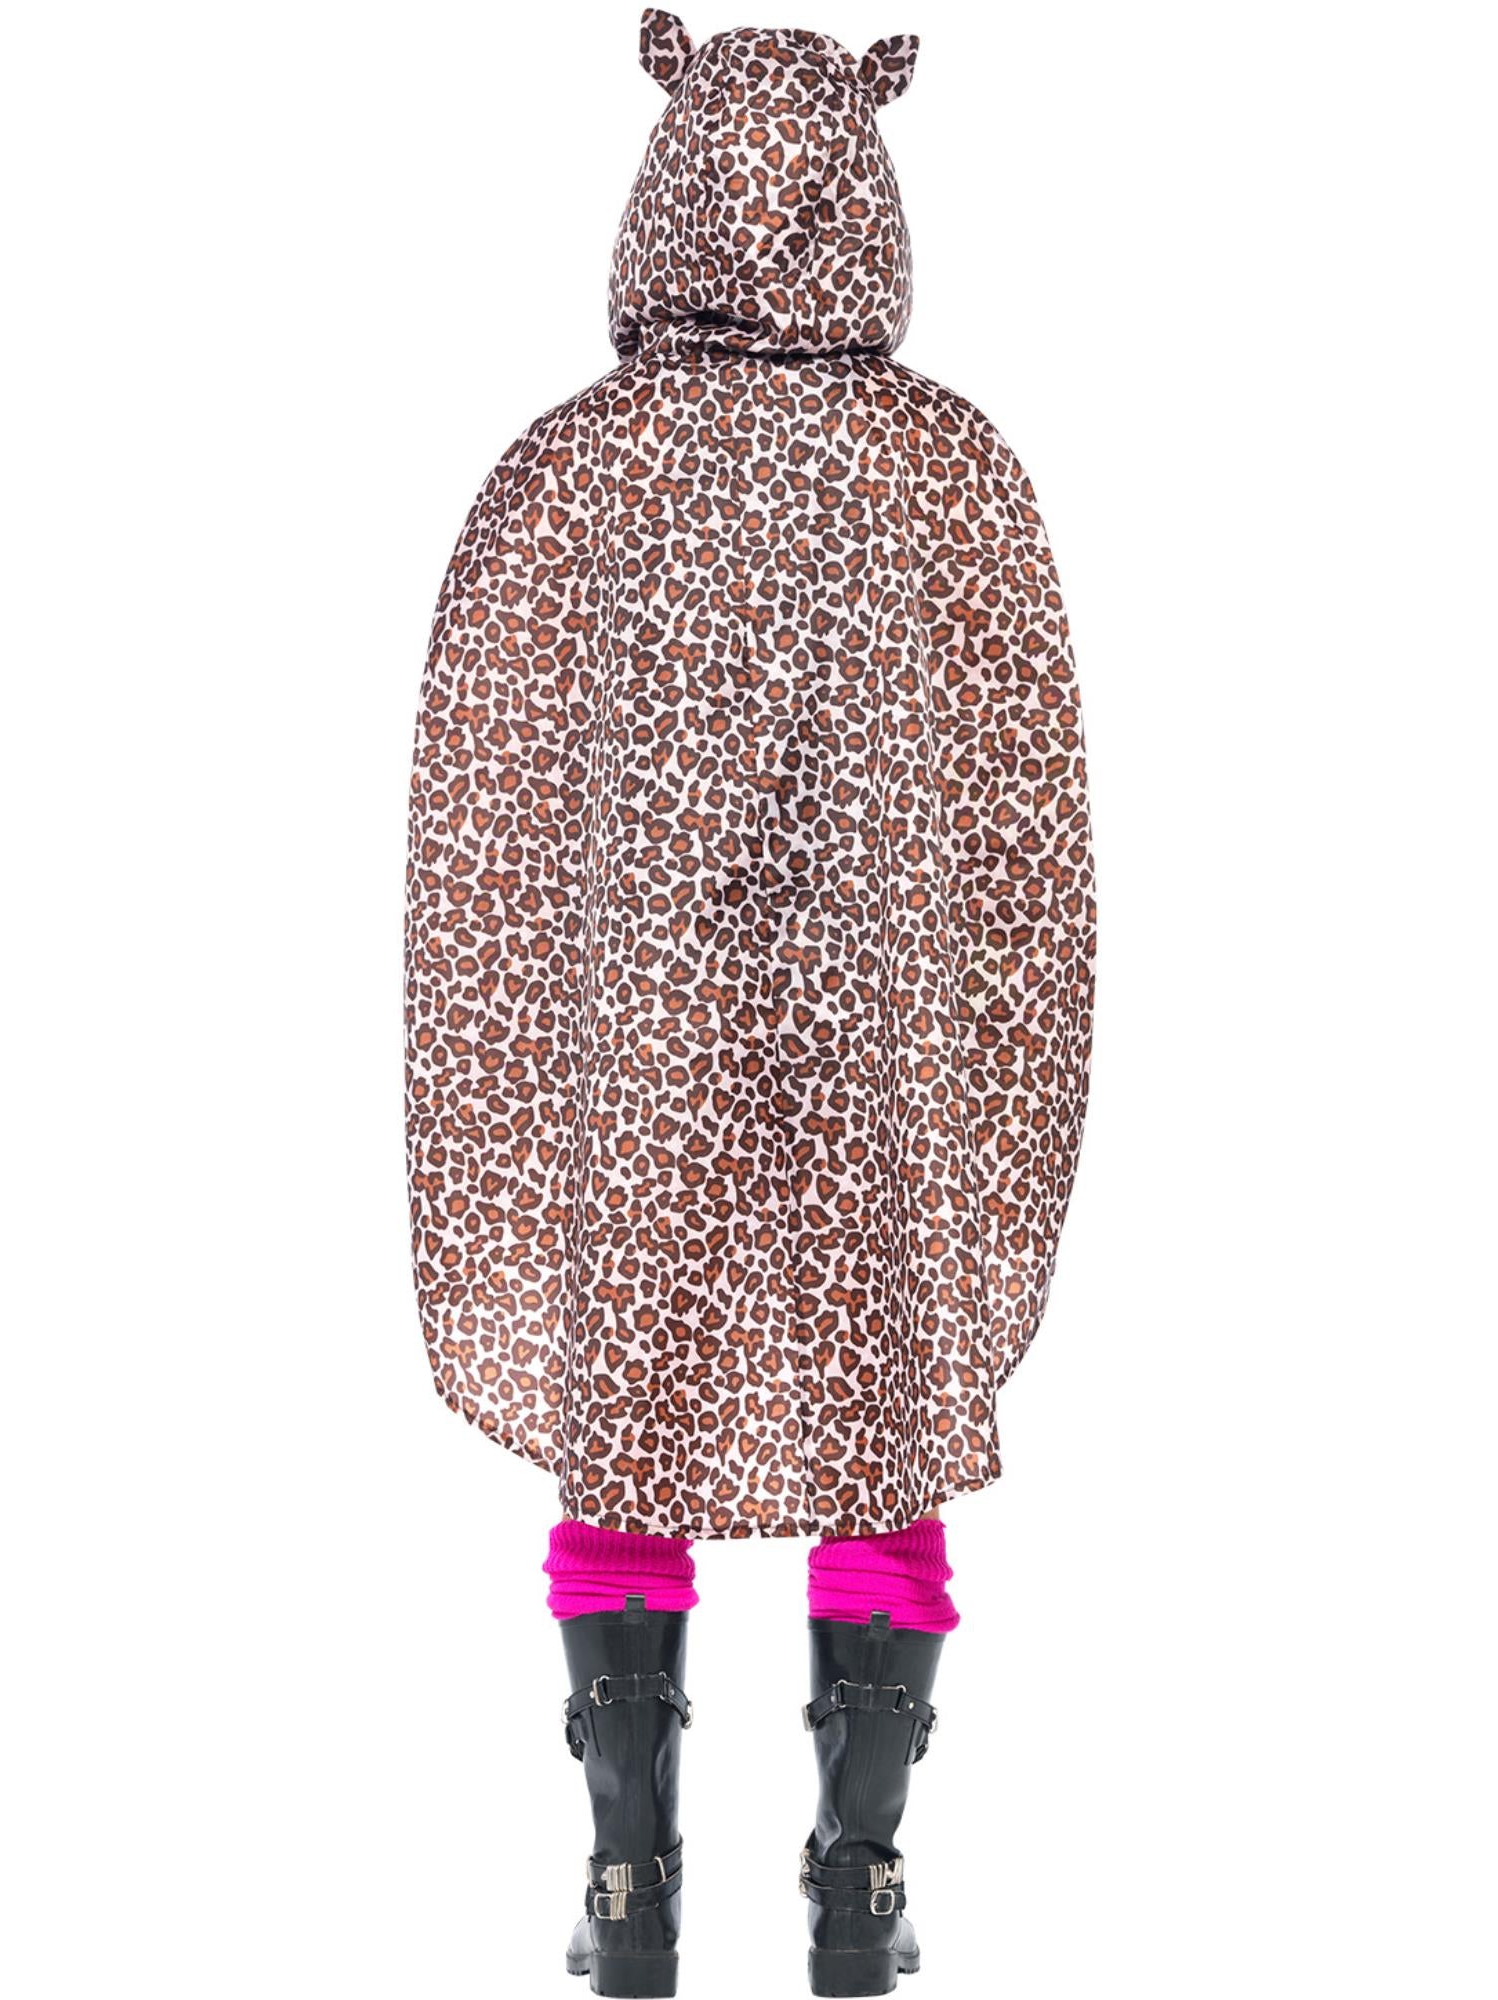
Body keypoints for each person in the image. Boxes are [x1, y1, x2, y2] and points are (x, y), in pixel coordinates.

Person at [404, 15, 1095, 1997]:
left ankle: (630, 1886)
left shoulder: (569, 468)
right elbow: (1023, 818)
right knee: (881, 1415)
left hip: (633, 1043)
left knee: (628, 1409)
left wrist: (535, 1036)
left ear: (672, 181)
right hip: (884, 1041)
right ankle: (859, 1883)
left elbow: (484, 805)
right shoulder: (950, 472)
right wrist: (983, 1041)